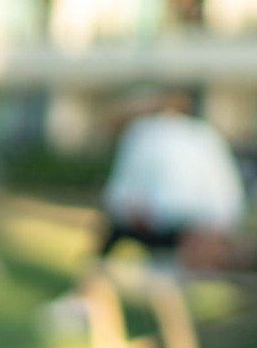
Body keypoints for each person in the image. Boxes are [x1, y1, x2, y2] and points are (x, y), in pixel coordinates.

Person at [96, 89, 245, 269]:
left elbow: (119, 195)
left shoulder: (142, 133)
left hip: (169, 229)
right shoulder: (205, 134)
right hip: (181, 228)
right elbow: (228, 195)